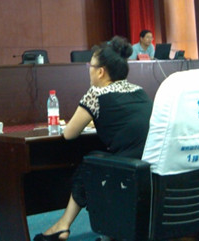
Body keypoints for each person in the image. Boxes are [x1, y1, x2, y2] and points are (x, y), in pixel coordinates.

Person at [33, 36, 153, 241]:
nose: (89, 69)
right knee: (97, 160)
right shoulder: (139, 91)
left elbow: (69, 133)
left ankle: (63, 225)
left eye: (91, 66)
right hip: (149, 165)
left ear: (100, 72)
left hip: (127, 168)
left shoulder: (95, 94)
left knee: (89, 165)